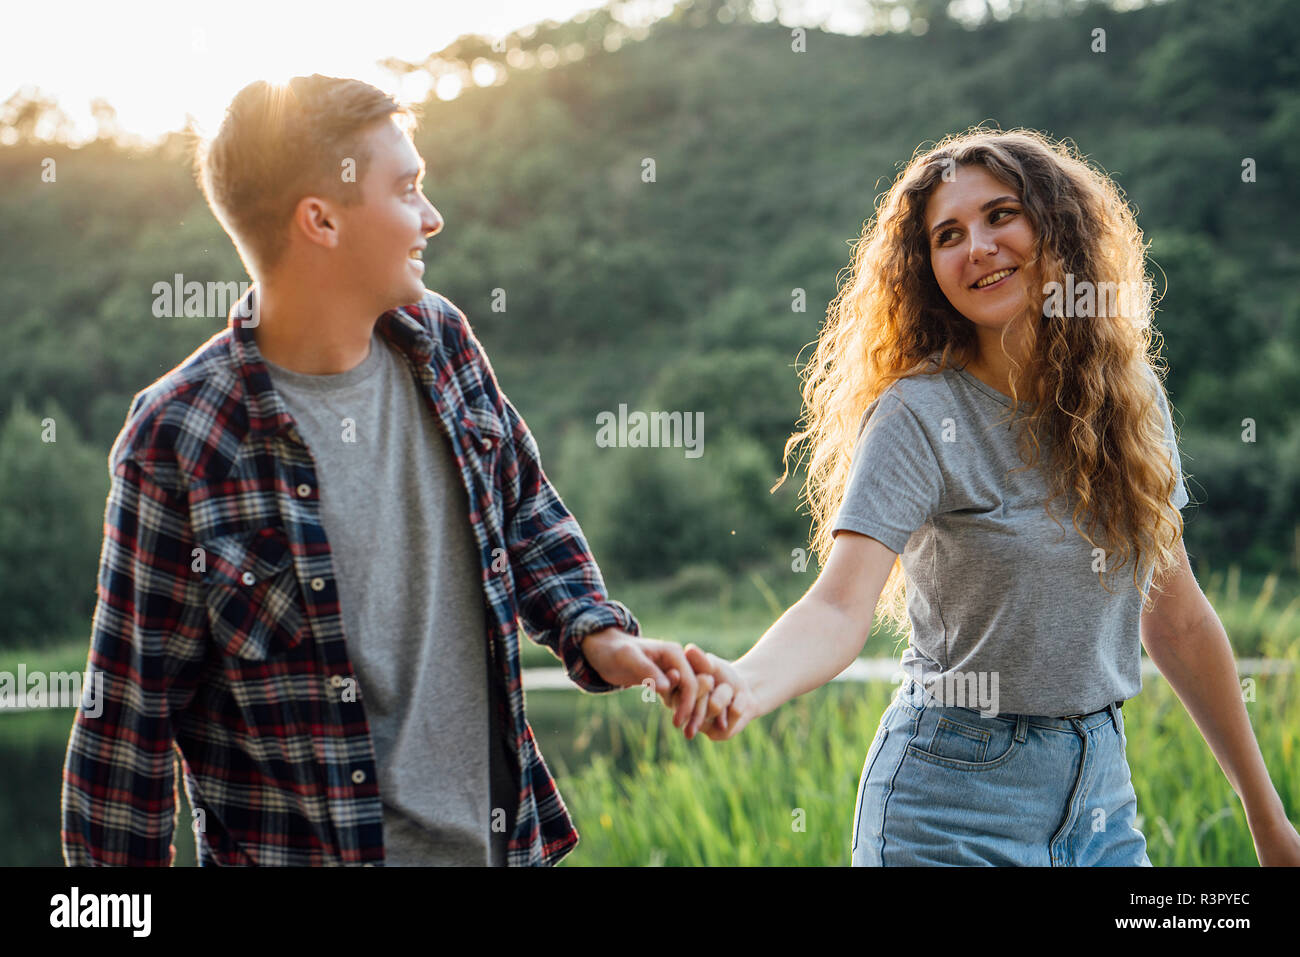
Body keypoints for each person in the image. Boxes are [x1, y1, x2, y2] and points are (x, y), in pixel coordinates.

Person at [60, 74, 715, 867]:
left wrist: (601, 634)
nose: (432, 216)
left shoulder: (441, 343)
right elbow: (124, 739)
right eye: (407, 190)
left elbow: (525, 512)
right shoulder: (178, 439)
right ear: (322, 218)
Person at [669, 127, 1300, 866]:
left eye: (1001, 214)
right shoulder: (916, 415)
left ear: (1057, 227)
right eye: (948, 234)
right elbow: (838, 606)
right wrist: (746, 679)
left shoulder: (1129, 401)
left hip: (1100, 799)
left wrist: (1270, 826)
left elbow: (1181, 619)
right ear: (927, 267)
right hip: (946, 806)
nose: (978, 246)